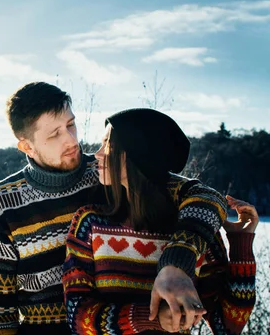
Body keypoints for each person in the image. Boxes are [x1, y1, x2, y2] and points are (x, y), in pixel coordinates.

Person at [0, 82, 228, 335]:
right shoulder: (1, 203)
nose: (71, 140)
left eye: (70, 124)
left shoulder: (108, 172)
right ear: (27, 146)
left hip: (115, 326)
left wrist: (176, 261)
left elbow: (204, 197)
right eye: (54, 134)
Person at [62, 108, 257, 334]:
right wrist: (153, 318)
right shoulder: (90, 224)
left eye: (108, 146)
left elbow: (228, 326)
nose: (97, 154)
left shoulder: (194, 234)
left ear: (142, 156)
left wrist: (241, 247)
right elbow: (77, 316)